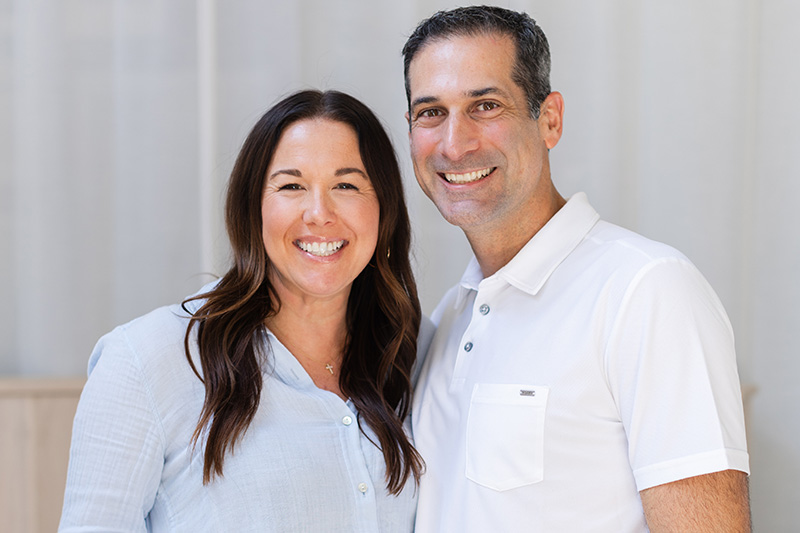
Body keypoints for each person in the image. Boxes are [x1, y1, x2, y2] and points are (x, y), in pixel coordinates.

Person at [402, 6, 750, 532]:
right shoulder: (448, 317)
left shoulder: (647, 290)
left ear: (549, 120)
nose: (455, 143)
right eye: (430, 112)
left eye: (486, 105)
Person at [59, 89, 432, 532]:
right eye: (291, 186)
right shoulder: (150, 359)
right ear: (253, 205)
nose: (319, 213)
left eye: (346, 185)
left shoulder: (414, 353)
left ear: (384, 208)